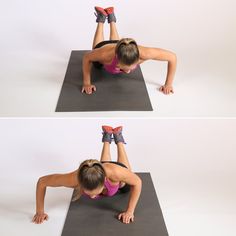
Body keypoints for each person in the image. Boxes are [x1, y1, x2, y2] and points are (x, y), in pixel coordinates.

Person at [32, 126, 142, 225]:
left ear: (104, 180)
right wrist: (39, 212)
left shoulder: (115, 173)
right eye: (89, 194)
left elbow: (137, 182)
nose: (93, 197)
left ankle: (119, 139)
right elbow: (42, 182)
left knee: (125, 180)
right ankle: (107, 136)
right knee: (103, 164)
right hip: (102, 169)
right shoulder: (74, 178)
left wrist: (129, 211)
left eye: (94, 193)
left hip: (116, 176)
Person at [82, 6, 177, 95]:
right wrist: (87, 83)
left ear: (137, 58)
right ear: (117, 58)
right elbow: (87, 57)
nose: (127, 72)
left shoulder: (145, 53)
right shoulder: (105, 55)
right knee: (96, 54)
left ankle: (111, 17)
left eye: (131, 68)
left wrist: (168, 84)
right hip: (104, 48)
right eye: (122, 68)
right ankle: (101, 19)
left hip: (120, 46)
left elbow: (172, 57)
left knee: (117, 42)